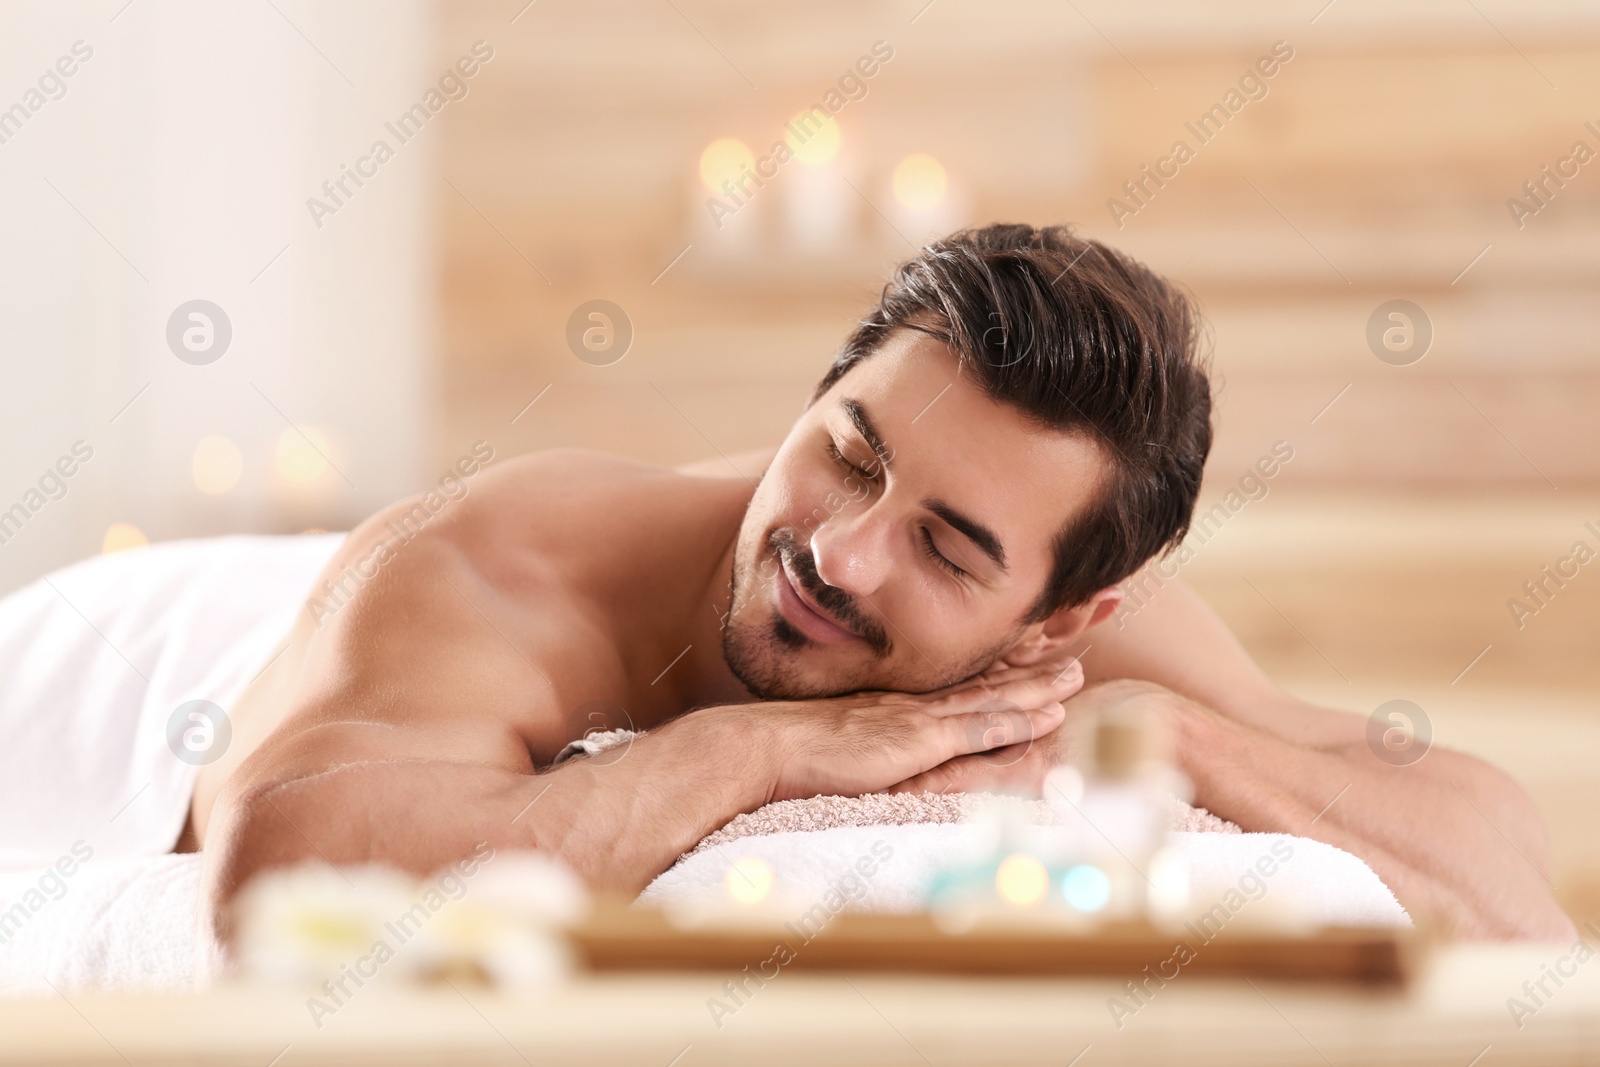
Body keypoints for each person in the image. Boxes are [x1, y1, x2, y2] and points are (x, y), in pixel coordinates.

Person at [196, 224, 1572, 942]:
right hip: (207, 653)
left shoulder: (1090, 644)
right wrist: (757, 749)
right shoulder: (502, 572)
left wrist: (1175, 740)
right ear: (818, 398)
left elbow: (1510, 899)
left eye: (948, 548)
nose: (841, 552)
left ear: (1060, 619)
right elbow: (273, 871)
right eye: (849, 458)